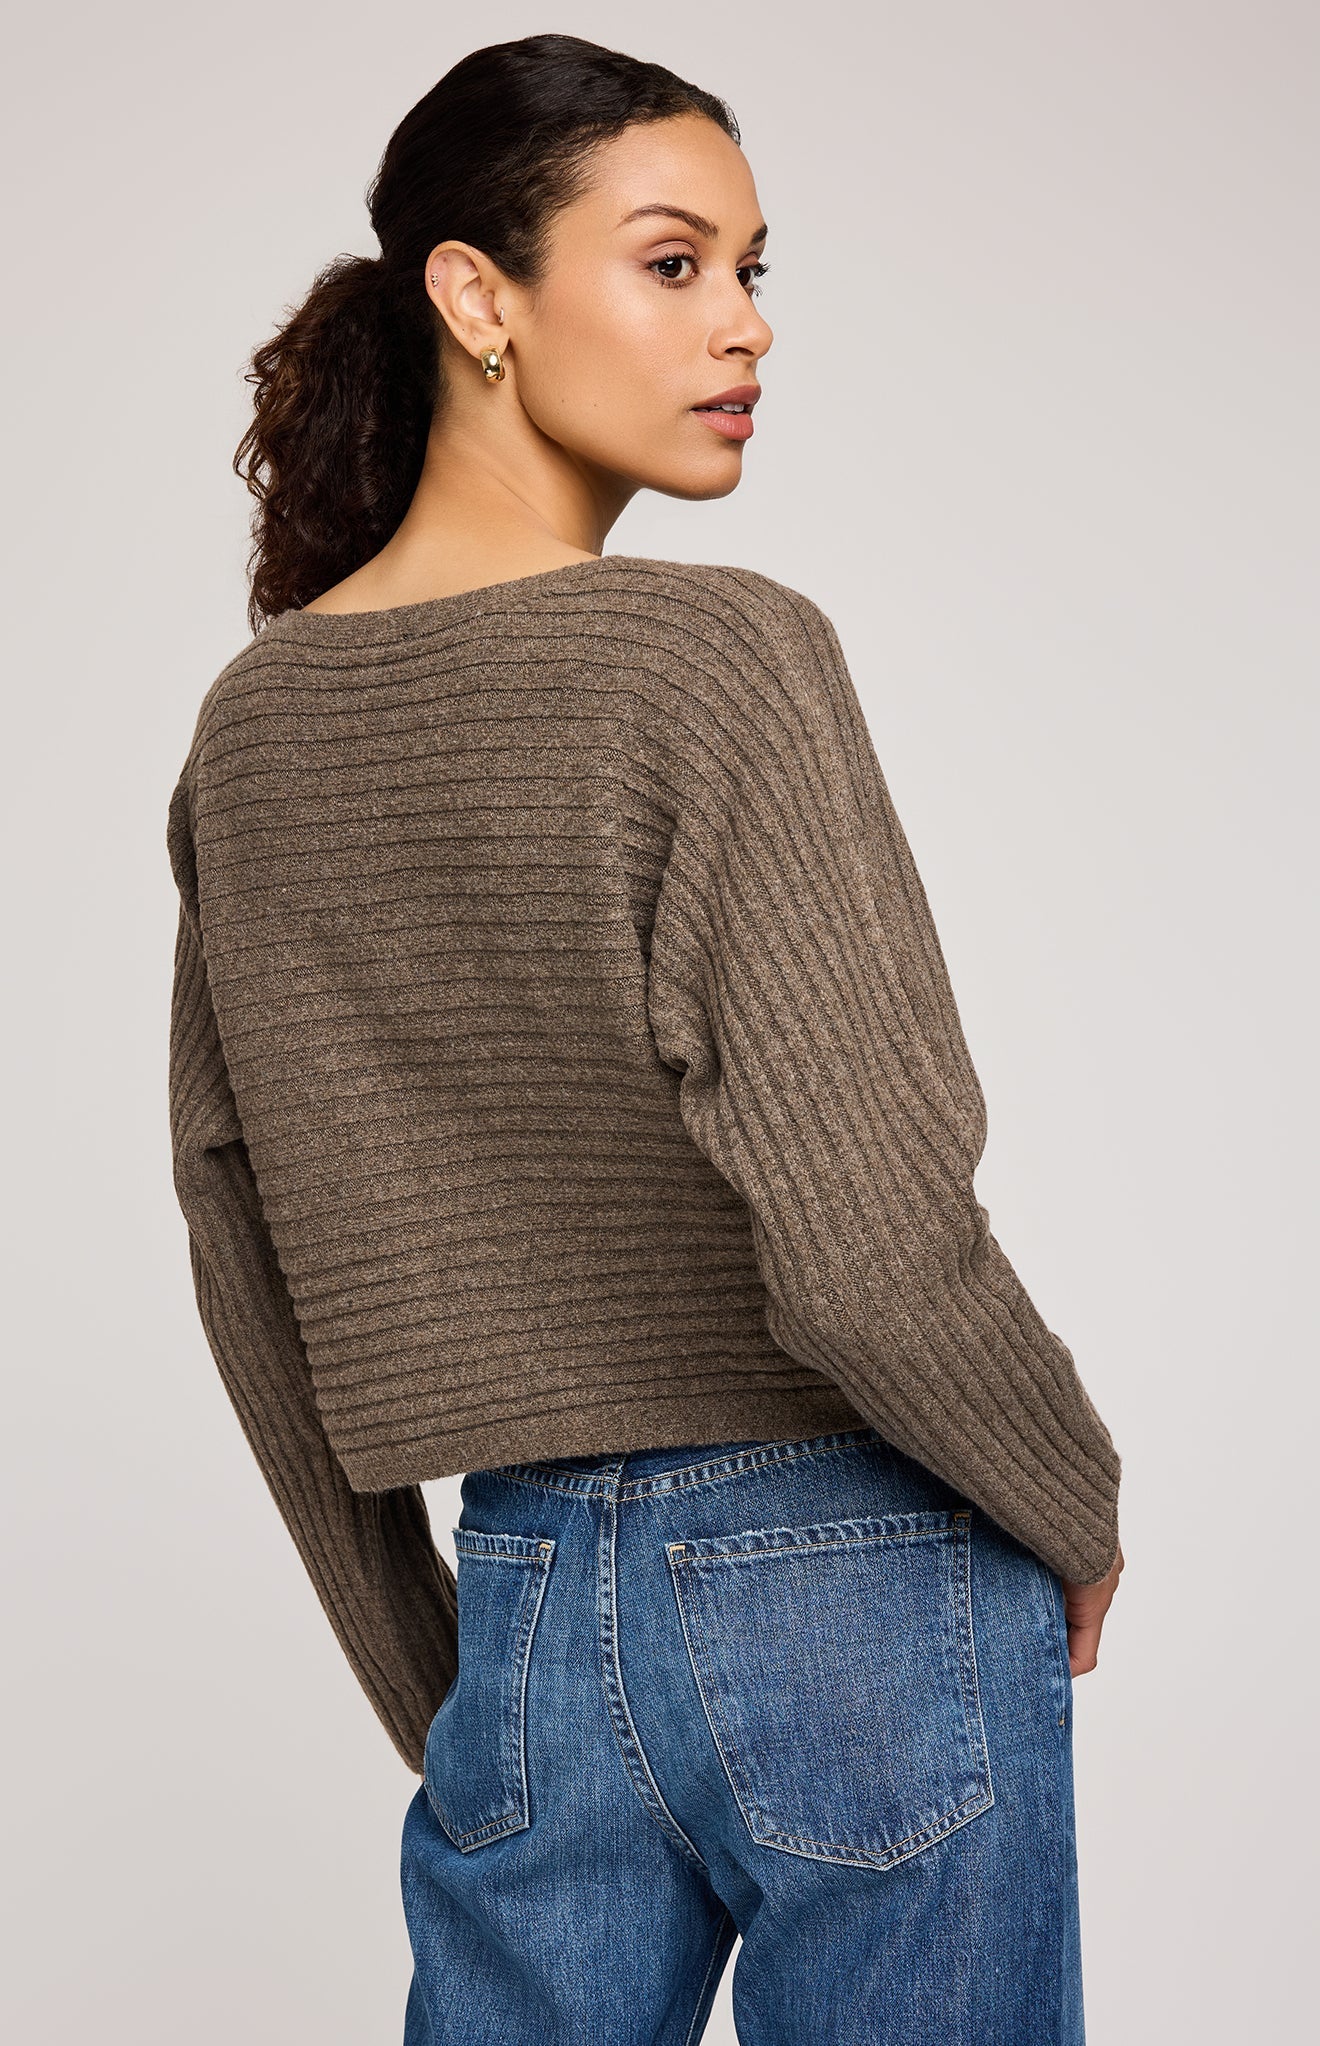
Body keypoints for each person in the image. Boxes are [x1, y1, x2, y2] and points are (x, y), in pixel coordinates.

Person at [166, 32, 1124, 2046]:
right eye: (674, 264)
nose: (745, 325)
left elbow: (243, 1247)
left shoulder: (255, 730)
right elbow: (863, 1237)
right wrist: (1069, 1494)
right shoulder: (716, 658)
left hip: (525, 1592)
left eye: (755, 272)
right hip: (862, 1560)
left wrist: (443, 1673)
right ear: (476, 294)